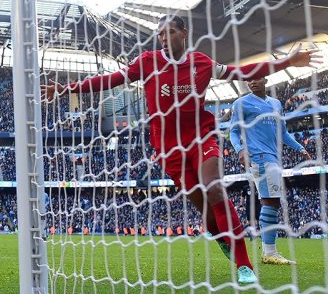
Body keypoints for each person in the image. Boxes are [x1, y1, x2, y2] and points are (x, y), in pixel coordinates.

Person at [41, 15, 320, 285]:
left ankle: (244, 264)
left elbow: (242, 72)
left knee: (214, 189)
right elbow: (110, 79)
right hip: (168, 147)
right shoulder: (147, 63)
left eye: (169, 32)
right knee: (206, 212)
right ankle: (224, 238)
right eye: (160, 34)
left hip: (201, 136)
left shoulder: (201, 62)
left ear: (184, 33)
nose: (163, 38)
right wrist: (66, 89)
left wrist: (287, 62)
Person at [229, 76, 311, 264]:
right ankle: (269, 253)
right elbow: (233, 132)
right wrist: (240, 150)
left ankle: (269, 252)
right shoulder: (241, 103)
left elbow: (283, 133)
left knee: (272, 202)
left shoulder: (276, 104)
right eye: (248, 80)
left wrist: (300, 148)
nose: (252, 82)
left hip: (273, 158)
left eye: (256, 78)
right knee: (271, 202)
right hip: (260, 157)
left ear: (265, 79)